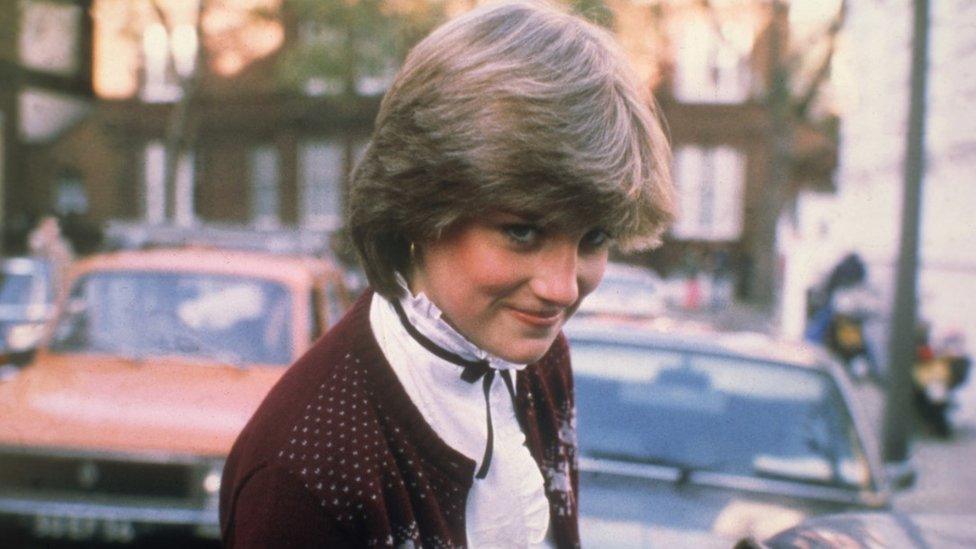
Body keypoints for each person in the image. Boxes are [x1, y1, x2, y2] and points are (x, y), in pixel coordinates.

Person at [219, 2, 675, 547]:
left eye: (593, 238)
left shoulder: (539, 353)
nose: (562, 288)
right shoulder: (301, 475)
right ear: (419, 205)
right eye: (523, 232)